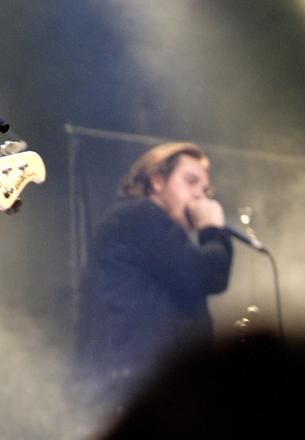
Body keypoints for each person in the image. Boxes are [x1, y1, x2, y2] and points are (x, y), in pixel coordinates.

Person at [77, 142, 234, 416]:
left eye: (206, 190)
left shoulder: (149, 228)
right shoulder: (139, 217)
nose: (200, 196)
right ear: (157, 181)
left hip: (145, 392)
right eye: (191, 182)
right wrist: (212, 230)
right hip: (132, 394)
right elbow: (208, 274)